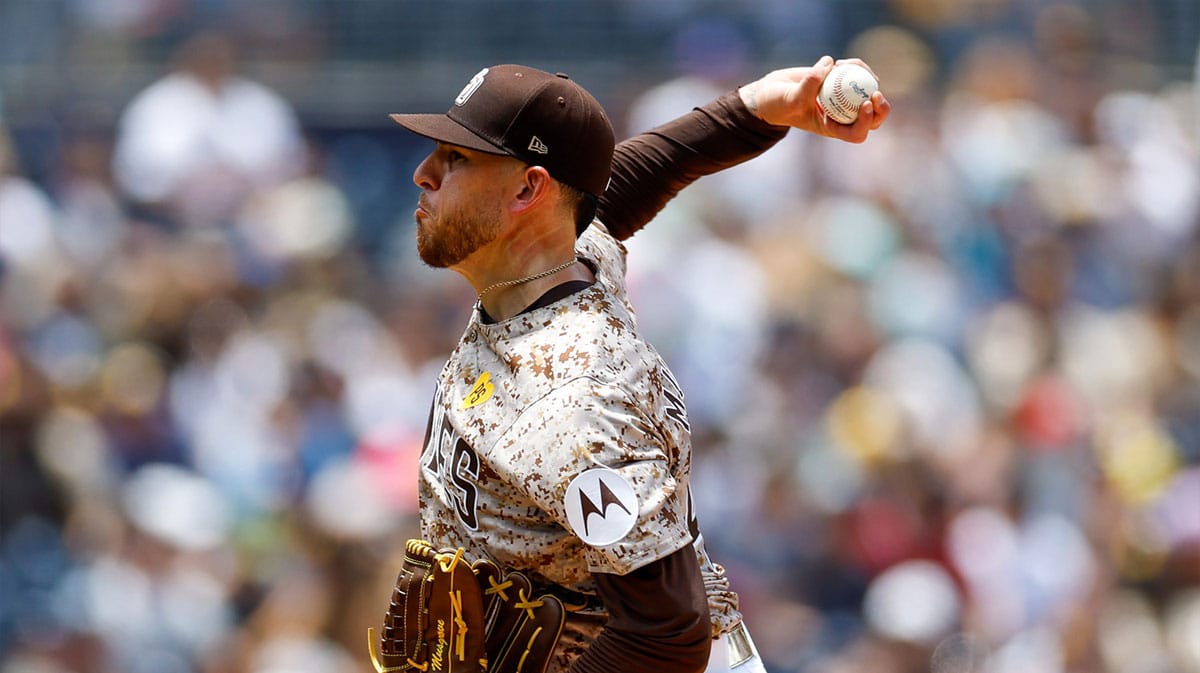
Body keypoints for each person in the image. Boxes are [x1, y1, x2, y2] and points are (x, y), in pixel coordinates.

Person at [384, 57, 889, 673]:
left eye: (456, 159)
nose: (423, 173)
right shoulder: (556, 263)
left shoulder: (573, 397)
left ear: (526, 191)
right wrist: (754, 108)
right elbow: (619, 183)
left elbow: (666, 636)